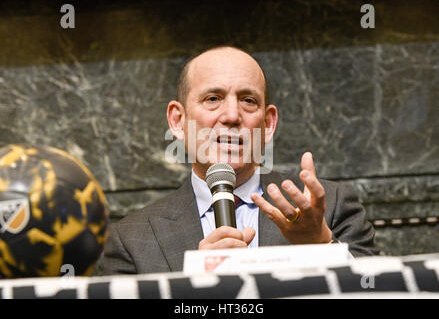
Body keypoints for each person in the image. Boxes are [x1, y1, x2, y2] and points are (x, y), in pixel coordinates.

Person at [98, 46, 379, 275]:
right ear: (178, 120)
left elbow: (382, 293)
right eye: (213, 98)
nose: (232, 115)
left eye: (248, 100)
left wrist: (320, 245)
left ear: (268, 124)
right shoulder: (131, 239)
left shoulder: (332, 206)